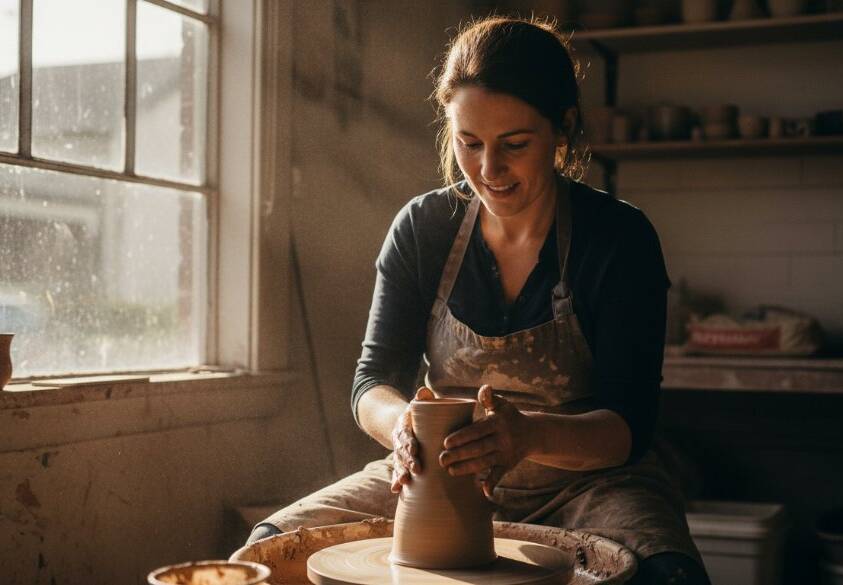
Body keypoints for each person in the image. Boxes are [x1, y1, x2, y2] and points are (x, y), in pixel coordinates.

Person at [249, 16, 710, 585]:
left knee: (666, 576)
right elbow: (371, 382)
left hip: (586, 486)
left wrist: (528, 436)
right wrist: (403, 426)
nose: (489, 171)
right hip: (436, 475)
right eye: (469, 143)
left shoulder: (618, 238)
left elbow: (627, 428)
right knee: (268, 552)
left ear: (562, 127)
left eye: (514, 145)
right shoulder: (423, 228)